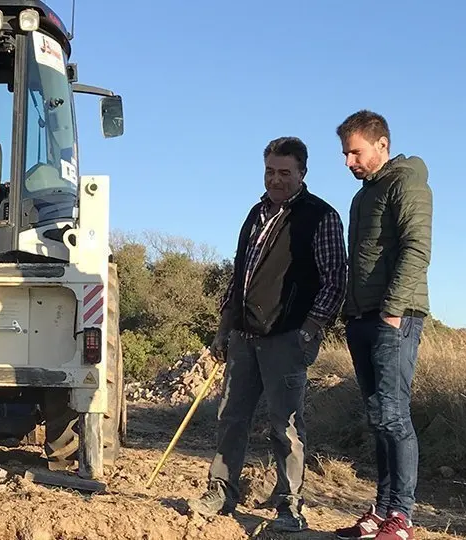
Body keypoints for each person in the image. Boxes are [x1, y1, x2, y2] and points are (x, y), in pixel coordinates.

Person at [188, 136, 348, 533]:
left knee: (285, 424)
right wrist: (224, 328)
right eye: (270, 171)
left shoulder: (320, 216)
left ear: (302, 174)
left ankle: (290, 503)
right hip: (244, 335)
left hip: (287, 336)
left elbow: (335, 281)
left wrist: (309, 330)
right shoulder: (255, 213)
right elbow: (238, 277)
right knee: (231, 416)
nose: (276, 180)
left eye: (285, 173)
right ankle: (221, 490)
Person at [332, 110, 432, 540]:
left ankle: (402, 517)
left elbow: (417, 247)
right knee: (378, 417)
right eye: (345, 153)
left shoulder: (405, 182)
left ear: (382, 145)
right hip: (362, 317)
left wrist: (391, 312)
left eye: (355, 151)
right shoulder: (362, 196)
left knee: (393, 416)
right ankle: (383, 510)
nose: (348, 161)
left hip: (395, 318)